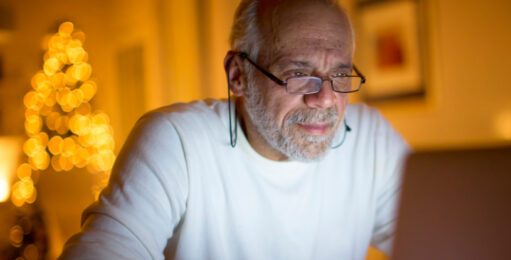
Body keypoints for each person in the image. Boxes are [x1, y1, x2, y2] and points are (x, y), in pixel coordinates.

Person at [60, 0, 409, 259]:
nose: (325, 99)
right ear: (238, 75)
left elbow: (440, 238)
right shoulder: (176, 141)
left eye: (339, 75)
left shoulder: (371, 138)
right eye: (297, 75)